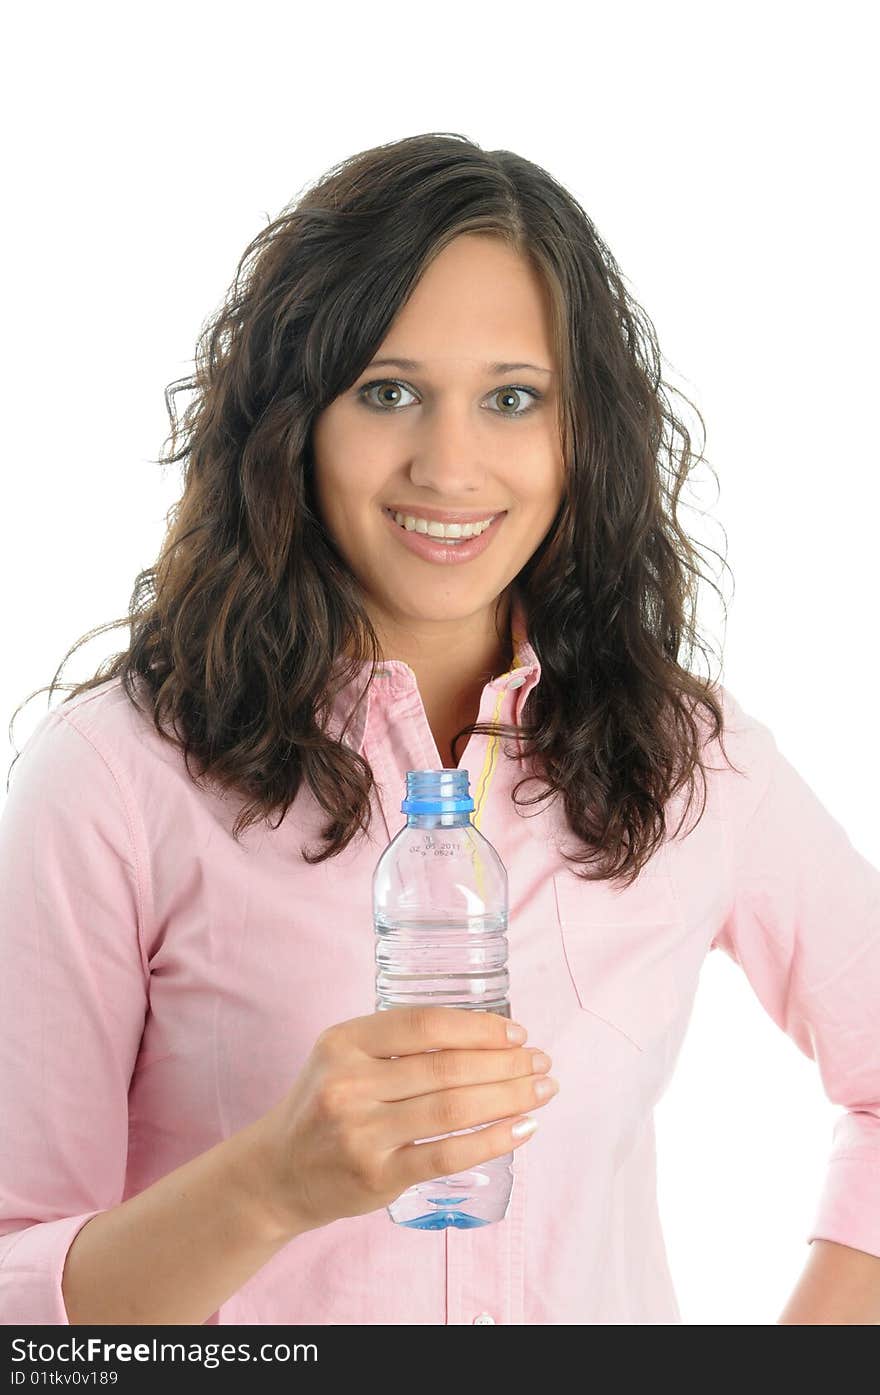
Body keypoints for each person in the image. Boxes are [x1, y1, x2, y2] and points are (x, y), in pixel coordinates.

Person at [1, 133, 878, 1327]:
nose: (449, 465)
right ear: (295, 419)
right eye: (390, 391)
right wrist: (268, 1185)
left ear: (583, 437)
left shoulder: (695, 761)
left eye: (512, 398)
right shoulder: (116, 775)